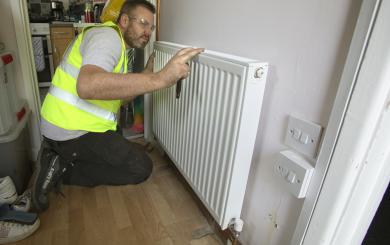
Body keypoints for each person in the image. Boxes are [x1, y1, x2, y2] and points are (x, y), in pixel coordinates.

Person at [31, 0, 204, 212]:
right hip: (70, 131)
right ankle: (60, 165)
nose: (148, 32)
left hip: (72, 124)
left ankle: (63, 154)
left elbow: (118, 99)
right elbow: (87, 86)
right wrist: (159, 79)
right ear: (123, 20)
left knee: (121, 139)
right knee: (140, 168)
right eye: (142, 23)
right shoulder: (107, 38)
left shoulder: (120, 49)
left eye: (151, 27)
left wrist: (144, 79)